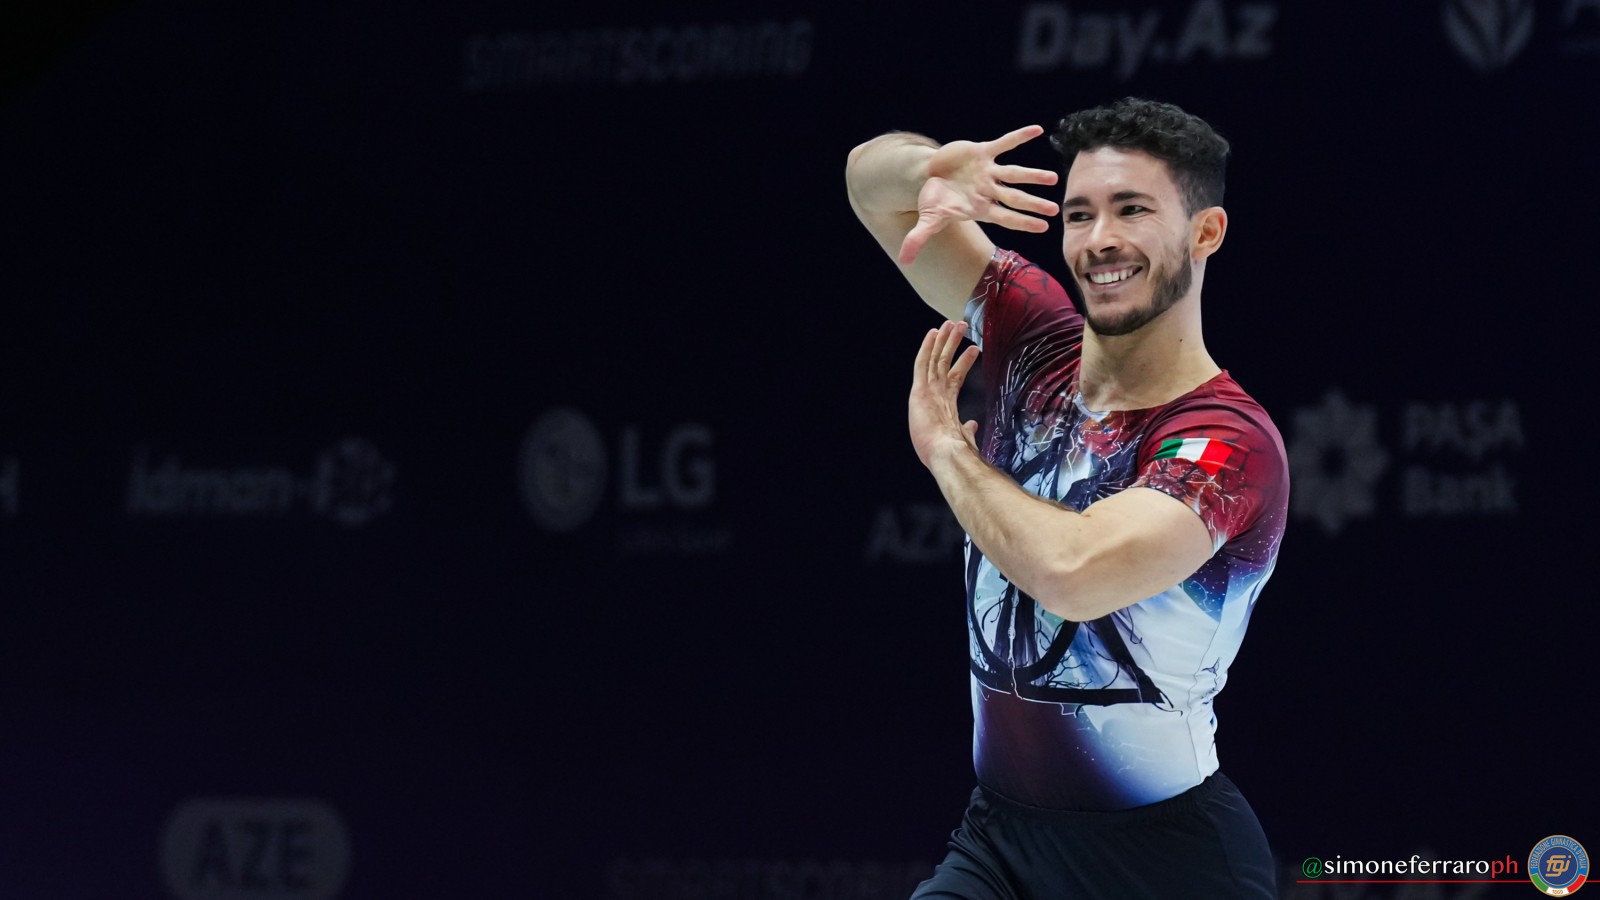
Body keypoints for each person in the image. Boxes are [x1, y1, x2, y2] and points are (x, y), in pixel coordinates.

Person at [844, 97, 1288, 898]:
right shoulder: (1032, 338)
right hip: (997, 844)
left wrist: (948, 452)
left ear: (1205, 232)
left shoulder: (1226, 442)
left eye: (1132, 210)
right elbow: (866, 185)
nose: (1099, 240)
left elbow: (1072, 573)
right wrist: (925, 169)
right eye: (1080, 214)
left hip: (1167, 864)